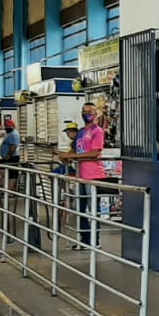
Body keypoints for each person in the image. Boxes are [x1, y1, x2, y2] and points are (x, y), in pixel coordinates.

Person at [56, 106, 106, 248]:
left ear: (95, 114)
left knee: (93, 209)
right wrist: (65, 157)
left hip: (94, 175)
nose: (86, 114)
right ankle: (85, 239)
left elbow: (95, 153)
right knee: (80, 208)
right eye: (84, 112)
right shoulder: (81, 133)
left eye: (89, 112)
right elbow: (74, 151)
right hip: (80, 175)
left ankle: (95, 241)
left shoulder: (97, 131)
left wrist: (71, 156)